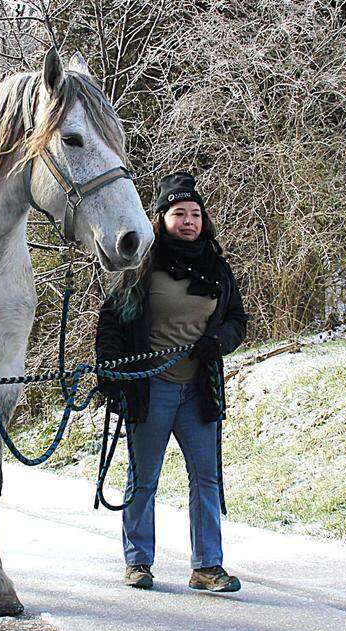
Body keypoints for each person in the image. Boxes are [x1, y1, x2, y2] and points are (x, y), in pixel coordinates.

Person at [95, 172, 248, 592]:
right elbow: (111, 322)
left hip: (199, 390)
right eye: (179, 213)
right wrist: (110, 374)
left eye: (195, 213)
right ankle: (139, 561)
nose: (188, 221)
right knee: (145, 476)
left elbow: (237, 321)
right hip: (152, 389)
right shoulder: (141, 264)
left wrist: (217, 342)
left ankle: (207, 566)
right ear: (160, 218)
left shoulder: (217, 267)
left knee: (207, 477)